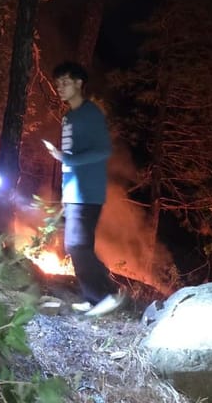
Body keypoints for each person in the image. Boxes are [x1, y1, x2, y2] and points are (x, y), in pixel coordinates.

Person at [44, 61, 126, 317]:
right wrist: (65, 192)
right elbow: (70, 158)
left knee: (76, 245)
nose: (60, 87)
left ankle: (107, 294)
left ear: (79, 83)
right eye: (58, 83)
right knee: (79, 246)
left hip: (88, 191)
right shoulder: (69, 116)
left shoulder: (91, 114)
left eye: (65, 82)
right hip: (73, 192)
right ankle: (94, 298)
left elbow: (103, 150)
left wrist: (66, 158)